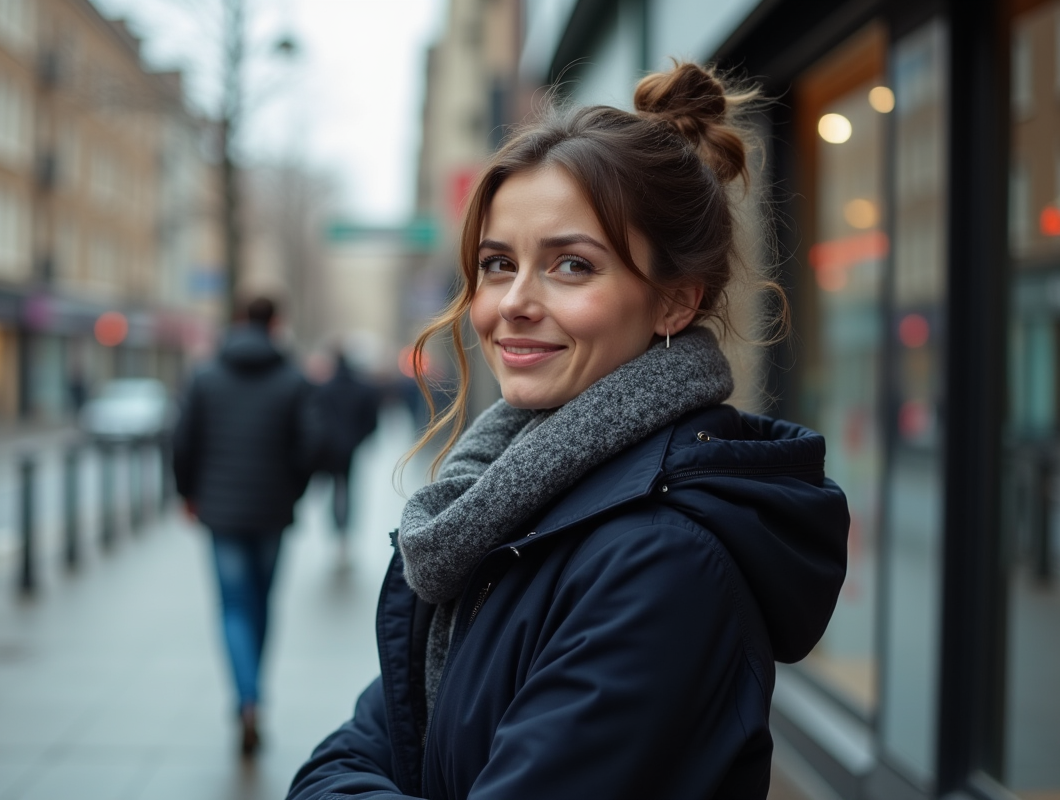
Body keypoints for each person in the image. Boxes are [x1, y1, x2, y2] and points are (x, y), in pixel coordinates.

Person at [288, 63, 850, 800]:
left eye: (572, 265)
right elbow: (343, 758)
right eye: (497, 264)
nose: (513, 302)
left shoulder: (660, 561)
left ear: (675, 303)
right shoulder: (496, 504)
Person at [171, 296, 323, 757]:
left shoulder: (205, 375)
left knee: (234, 606)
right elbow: (312, 446)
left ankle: (247, 698)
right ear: (276, 323)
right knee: (261, 602)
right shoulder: (294, 378)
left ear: (239, 322)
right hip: (272, 511)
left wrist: (188, 493)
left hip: (221, 511)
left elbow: (182, 442)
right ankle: (254, 693)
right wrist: (293, 491)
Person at [315, 350, 382, 569]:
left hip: (331, 450)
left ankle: (338, 530)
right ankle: (344, 533)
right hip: (351, 448)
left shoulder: (324, 390)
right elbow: (372, 422)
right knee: (348, 490)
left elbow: (317, 420)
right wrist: (358, 439)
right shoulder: (363, 389)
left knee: (336, 490)